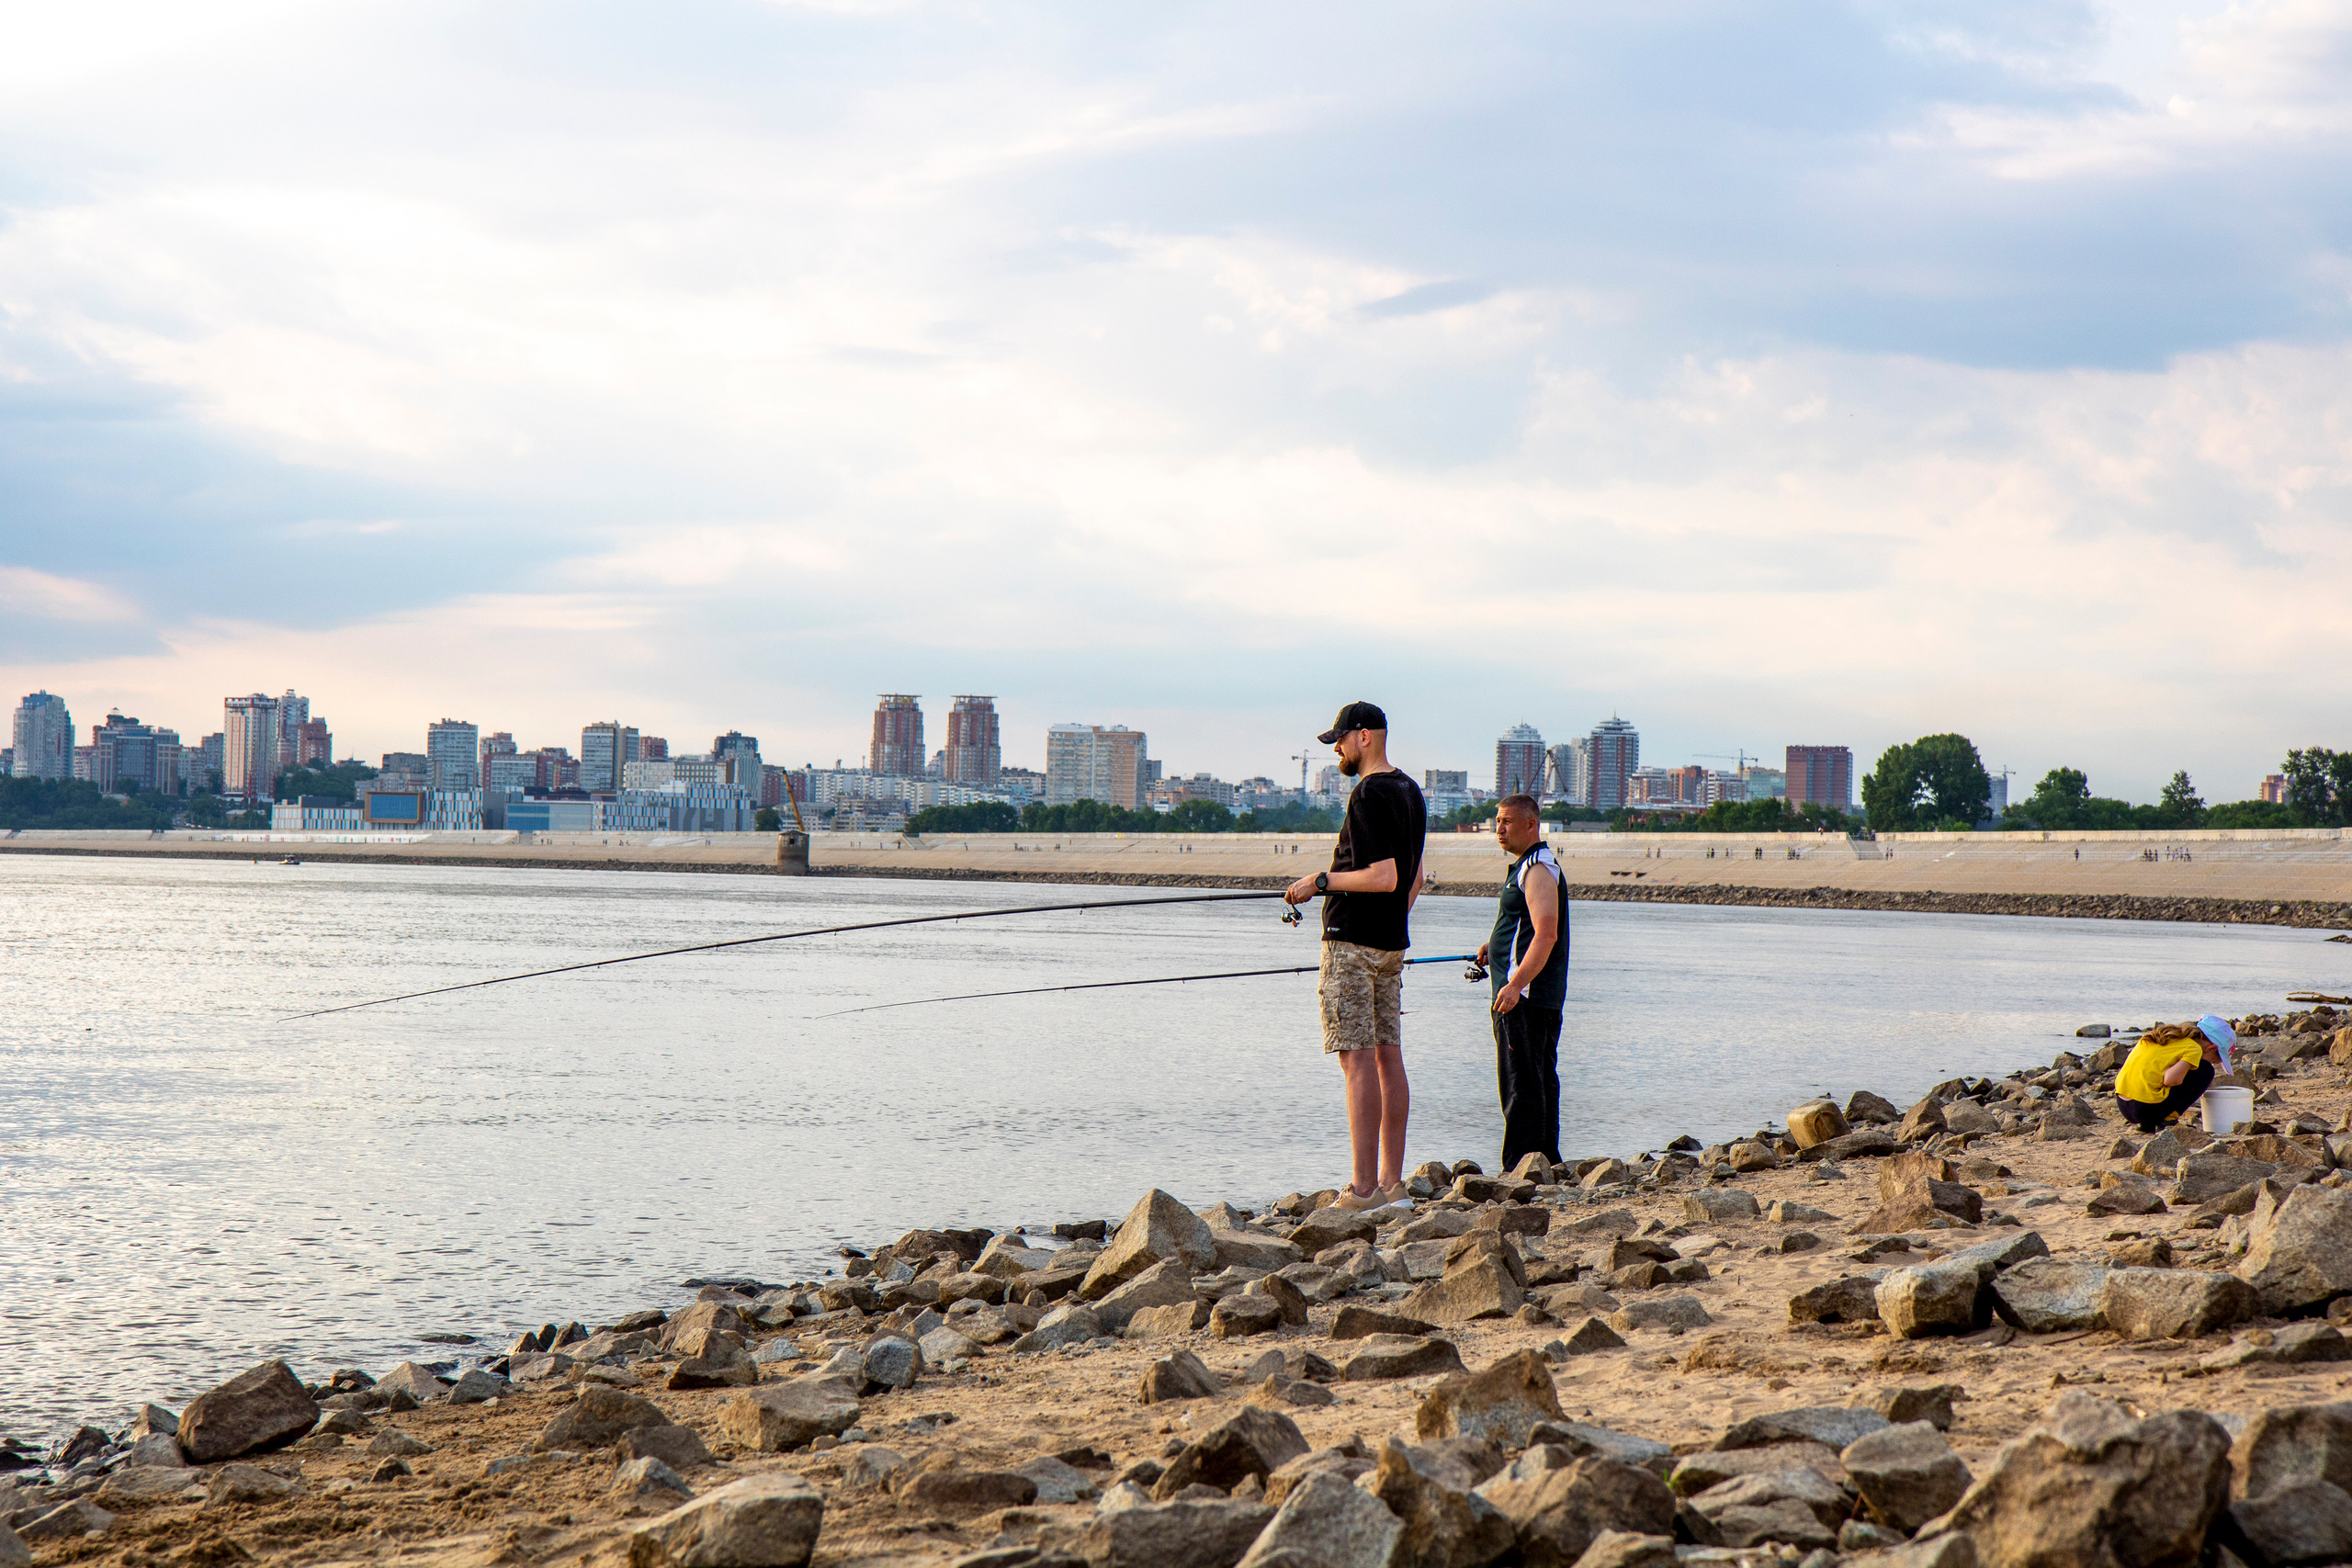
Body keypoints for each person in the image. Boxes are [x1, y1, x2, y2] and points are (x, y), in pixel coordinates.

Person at [1284, 701, 1427, 1210]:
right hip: (1392, 945)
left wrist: (1318, 882)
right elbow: (1415, 879)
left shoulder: (1368, 793)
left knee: (1357, 1061)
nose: (1338, 749)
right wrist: (1394, 919)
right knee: (1388, 1057)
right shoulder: (1411, 790)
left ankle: (1363, 1189)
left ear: (1365, 736)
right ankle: (1392, 1184)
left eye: (1341, 740)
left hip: (1353, 942)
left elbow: (1384, 876)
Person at [1476, 794, 1567, 1171]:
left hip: (1525, 998)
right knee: (1538, 1079)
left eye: (1508, 822)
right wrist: (1493, 945)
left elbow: (1546, 934)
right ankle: (1545, 1163)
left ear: (1532, 825)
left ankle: (1519, 1169)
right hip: (1532, 996)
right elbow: (1524, 926)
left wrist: (1514, 986)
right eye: (1497, 821)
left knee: (1521, 1085)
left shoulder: (1537, 868)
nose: (1499, 829)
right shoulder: (1525, 867)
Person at [2113, 1015, 2233, 1133]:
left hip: (2124, 1105)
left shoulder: (2162, 1037)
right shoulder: (2194, 1048)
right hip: (2144, 1110)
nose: (2212, 1063)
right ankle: (2169, 1120)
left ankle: (2146, 1127)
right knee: (2206, 1070)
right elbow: (2171, 1080)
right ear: (2211, 1048)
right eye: (2214, 1060)